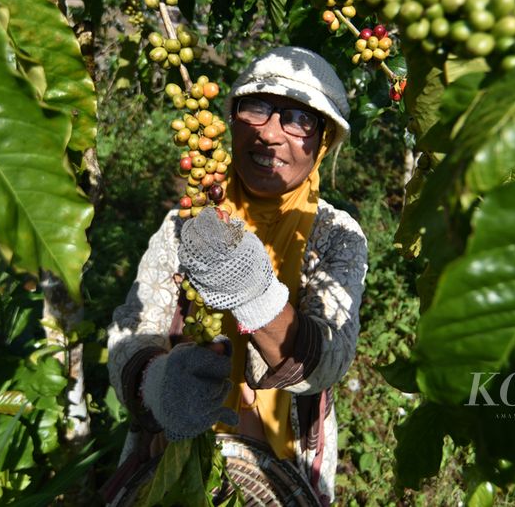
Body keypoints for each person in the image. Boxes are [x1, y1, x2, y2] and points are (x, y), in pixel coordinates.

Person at [107, 46, 368, 505]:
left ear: (323, 140)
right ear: (230, 120)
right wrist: (159, 385)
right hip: (174, 450)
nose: (269, 133)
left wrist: (254, 293)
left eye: (298, 119)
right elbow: (131, 332)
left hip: (284, 456)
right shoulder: (189, 221)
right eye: (256, 108)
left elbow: (329, 362)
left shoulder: (337, 235)